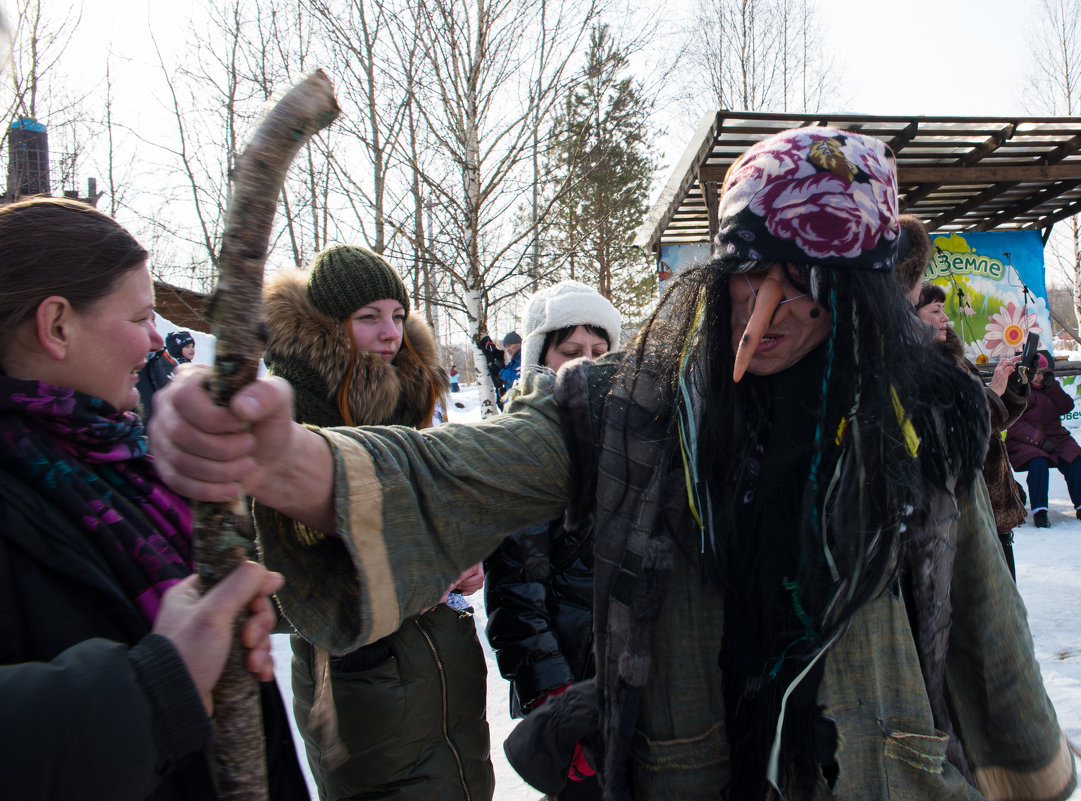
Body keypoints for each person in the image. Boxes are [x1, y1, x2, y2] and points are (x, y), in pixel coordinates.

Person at [151, 129, 1076, 801]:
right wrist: (282, 454)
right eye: (754, 273)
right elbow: (460, 472)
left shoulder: (913, 424)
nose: (774, 310)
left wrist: (1028, 771)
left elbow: (984, 631)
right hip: (691, 770)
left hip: (884, 777)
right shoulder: (625, 410)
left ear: (863, 299)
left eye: (812, 287)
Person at [0, 196, 305, 801]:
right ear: (57, 325)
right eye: (141, 318)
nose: (156, 343)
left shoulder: (114, 463)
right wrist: (159, 682)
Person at [256, 244, 493, 801]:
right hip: (360, 691)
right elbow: (273, 584)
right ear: (326, 328)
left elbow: (441, 516)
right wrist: (412, 574)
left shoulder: (410, 406)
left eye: (396, 314)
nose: (391, 333)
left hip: (445, 671)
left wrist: (462, 555)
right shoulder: (281, 419)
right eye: (368, 318)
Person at [484, 280, 621, 799]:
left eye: (599, 352)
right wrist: (554, 697)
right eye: (571, 351)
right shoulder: (523, 444)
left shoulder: (623, 434)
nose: (586, 364)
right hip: (566, 681)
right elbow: (516, 588)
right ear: (541, 354)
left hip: (621, 676)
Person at [906, 269, 1028, 577]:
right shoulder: (911, 370)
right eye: (936, 311)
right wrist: (993, 394)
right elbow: (949, 434)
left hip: (992, 502)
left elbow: (993, 423)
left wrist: (1011, 390)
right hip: (960, 514)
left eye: (945, 310)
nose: (945, 318)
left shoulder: (957, 361)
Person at [1005, 353, 1081, 528]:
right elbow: (1016, 425)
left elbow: (1067, 406)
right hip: (1025, 441)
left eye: (1043, 373)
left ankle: (1080, 504)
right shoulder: (1020, 391)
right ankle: (1040, 511)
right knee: (1037, 463)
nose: (1039, 377)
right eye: (1036, 373)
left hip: (1055, 436)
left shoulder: (1049, 388)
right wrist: (1040, 440)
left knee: (1075, 457)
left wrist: (1053, 387)